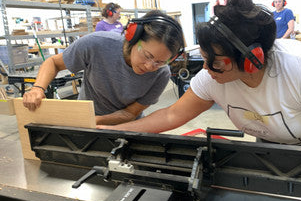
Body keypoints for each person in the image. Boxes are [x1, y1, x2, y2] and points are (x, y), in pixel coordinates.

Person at [98, 0, 301, 151]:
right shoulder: (212, 77)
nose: (205, 69)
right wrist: (120, 130)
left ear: (251, 60)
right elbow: (171, 115)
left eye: (214, 62)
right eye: (204, 58)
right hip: (273, 142)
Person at [23, 10, 185, 125]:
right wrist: (38, 88)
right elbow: (53, 63)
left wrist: (95, 122)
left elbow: (130, 113)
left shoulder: (161, 74)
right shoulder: (97, 44)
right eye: (147, 56)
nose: (150, 66)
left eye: (160, 61)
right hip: (85, 117)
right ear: (132, 37)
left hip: (126, 125)